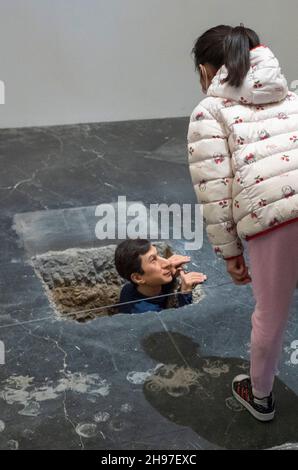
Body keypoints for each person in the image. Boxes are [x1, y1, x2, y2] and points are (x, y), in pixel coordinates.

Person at [188, 24, 298, 421]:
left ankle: (262, 397)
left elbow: (214, 190)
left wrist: (230, 253)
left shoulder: (210, 110)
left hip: (274, 221)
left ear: (205, 70)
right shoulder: (292, 97)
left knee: (270, 312)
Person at [114, 238, 207, 314]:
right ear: (138, 278)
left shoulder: (128, 288)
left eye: (157, 255)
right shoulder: (147, 314)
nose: (167, 262)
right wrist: (185, 293)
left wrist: (171, 277)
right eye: (153, 260)